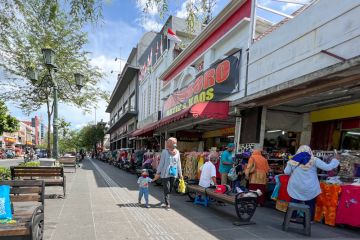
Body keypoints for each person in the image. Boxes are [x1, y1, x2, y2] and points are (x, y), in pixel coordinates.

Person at [284, 145, 339, 220]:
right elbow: (328, 167)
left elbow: (286, 172)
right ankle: (309, 219)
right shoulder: (314, 160)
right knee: (310, 202)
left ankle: (292, 217)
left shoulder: (293, 160)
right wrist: (335, 160)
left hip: (296, 185)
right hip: (310, 186)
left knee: (294, 199)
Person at [152, 137, 183, 210]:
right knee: (166, 188)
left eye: (171, 142)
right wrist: (158, 172)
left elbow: (179, 163)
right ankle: (167, 203)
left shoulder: (177, 152)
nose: (167, 144)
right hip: (165, 173)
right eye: (169, 142)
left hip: (174, 173)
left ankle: (167, 199)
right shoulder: (164, 152)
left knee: (170, 188)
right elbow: (161, 163)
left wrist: (180, 174)